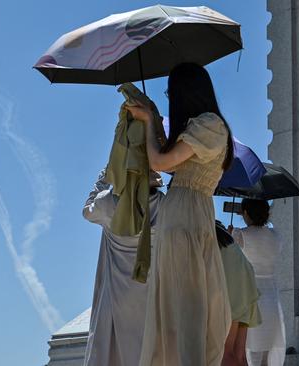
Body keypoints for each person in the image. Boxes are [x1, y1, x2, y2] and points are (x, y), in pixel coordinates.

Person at [126, 62, 233, 366]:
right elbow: (170, 161)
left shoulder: (208, 124)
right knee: (185, 302)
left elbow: (160, 162)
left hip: (185, 214)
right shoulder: (202, 127)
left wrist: (148, 121)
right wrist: (154, 121)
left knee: (188, 305)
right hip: (189, 213)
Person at [82, 169, 164, 366]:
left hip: (116, 296)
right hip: (150, 294)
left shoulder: (107, 203)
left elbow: (87, 210)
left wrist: (104, 177)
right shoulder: (163, 205)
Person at [230, 199, 286, 366]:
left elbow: (231, 261)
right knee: (265, 358)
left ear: (246, 213)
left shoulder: (240, 234)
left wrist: (229, 236)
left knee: (248, 353)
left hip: (251, 298)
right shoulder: (276, 235)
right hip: (272, 299)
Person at [216, 221, 261, 366]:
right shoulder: (226, 239)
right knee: (240, 354)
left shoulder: (207, 235)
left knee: (225, 352)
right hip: (246, 287)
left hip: (233, 289)